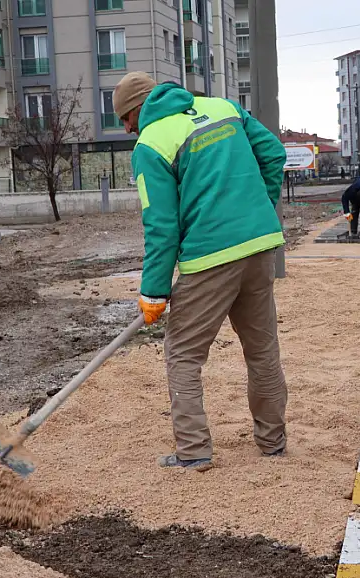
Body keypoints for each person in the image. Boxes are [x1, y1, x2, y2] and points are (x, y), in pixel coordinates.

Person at [113, 72, 289, 472]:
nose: (126, 128)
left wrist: (154, 292)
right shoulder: (224, 108)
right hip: (260, 246)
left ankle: (193, 452)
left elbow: (160, 225)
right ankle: (273, 442)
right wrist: (258, 209)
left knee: (183, 354)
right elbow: (274, 155)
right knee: (262, 350)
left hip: (210, 258)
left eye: (126, 117)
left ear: (140, 108)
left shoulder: (151, 144)